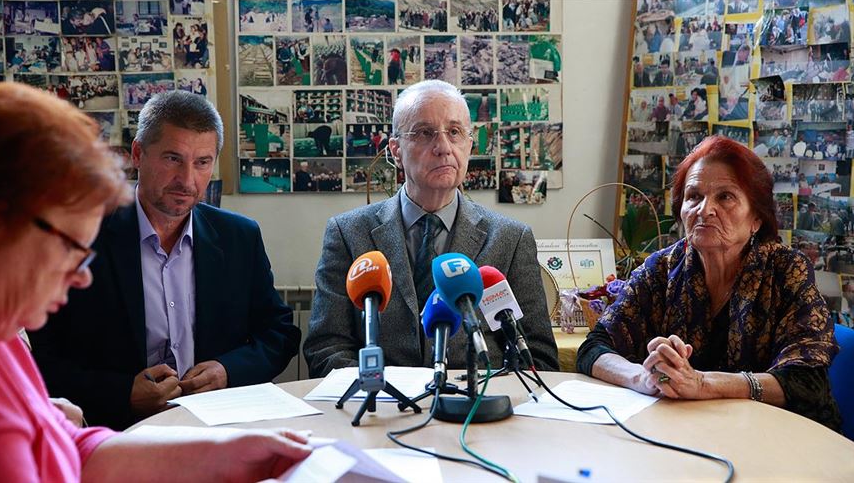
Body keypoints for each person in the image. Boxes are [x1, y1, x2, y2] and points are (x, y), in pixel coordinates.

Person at [0, 82, 312, 481]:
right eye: (70, 248)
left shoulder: (5, 340)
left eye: (202, 162)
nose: (81, 274)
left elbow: (76, 448)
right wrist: (116, 395)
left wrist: (219, 452)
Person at [576, 136, 841, 431]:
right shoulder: (661, 268)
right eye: (693, 196)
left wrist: (702, 383)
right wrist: (643, 377)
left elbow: (806, 382)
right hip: (689, 433)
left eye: (725, 197)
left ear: (756, 218)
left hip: (781, 437)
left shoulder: (786, 270)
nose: (704, 210)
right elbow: (594, 348)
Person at [304, 80, 559, 378]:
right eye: (425, 133)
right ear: (396, 150)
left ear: (469, 145)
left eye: (455, 132)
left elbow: (537, 358)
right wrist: (385, 391)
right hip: (383, 401)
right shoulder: (348, 233)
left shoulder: (510, 239)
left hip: (475, 401)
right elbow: (326, 348)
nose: (443, 148)